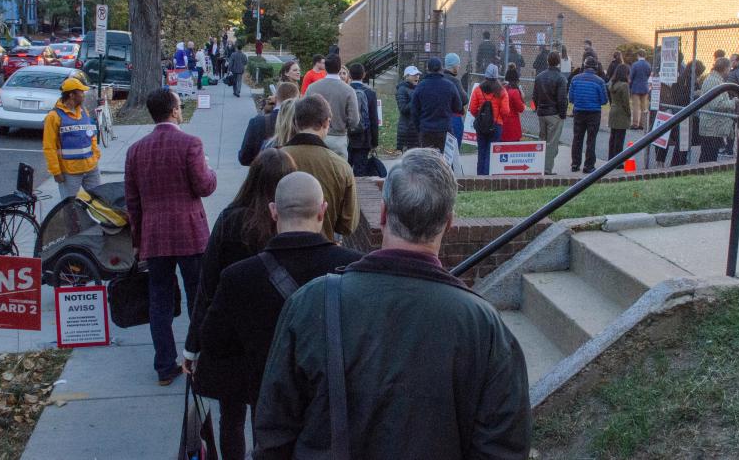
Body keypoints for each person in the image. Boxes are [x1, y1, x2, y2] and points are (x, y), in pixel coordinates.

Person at [252, 148, 532, 459]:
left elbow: (273, 430)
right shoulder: (484, 327)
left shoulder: (310, 303)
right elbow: (504, 445)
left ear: (383, 213)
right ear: (449, 223)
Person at [199, 171, 364, 459]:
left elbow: (213, 341)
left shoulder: (238, 277)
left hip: (267, 406)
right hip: (335, 407)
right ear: (322, 210)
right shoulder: (352, 269)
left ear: (274, 212)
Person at [184, 148, 295, 460]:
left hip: (230, 337)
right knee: (268, 419)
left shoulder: (229, 222)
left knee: (230, 418)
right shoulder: (289, 227)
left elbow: (207, 288)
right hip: (275, 338)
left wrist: (193, 347)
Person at [124, 88, 217, 386]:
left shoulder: (136, 150)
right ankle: (200, 359)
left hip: (155, 235)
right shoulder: (190, 143)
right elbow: (204, 186)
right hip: (190, 233)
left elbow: (132, 202)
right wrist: (211, 173)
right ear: (175, 111)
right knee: (197, 298)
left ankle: (165, 365)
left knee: (159, 301)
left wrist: (138, 241)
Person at [281, 95, 358, 240]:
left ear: (296, 122)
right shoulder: (340, 166)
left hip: (275, 252)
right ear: (326, 122)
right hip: (322, 249)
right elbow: (348, 225)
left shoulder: (275, 158)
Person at [42, 78, 101, 199]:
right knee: (70, 207)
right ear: (71, 95)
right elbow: (49, 147)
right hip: (70, 172)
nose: (83, 95)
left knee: (99, 202)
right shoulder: (53, 117)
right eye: (81, 92)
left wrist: (96, 155)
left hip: (91, 168)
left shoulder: (83, 111)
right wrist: (56, 172)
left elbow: (91, 135)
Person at [305, 54, 361, 159]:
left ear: (325, 67)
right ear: (339, 67)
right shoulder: (348, 90)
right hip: (338, 138)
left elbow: (304, 114)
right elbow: (354, 120)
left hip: (315, 137)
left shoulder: (312, 88)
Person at [410, 57, 462, 152]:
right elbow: (458, 107)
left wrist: (420, 128)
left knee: (427, 161)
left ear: (427, 69)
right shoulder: (450, 85)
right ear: (441, 69)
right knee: (445, 161)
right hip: (445, 130)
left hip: (426, 130)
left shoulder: (420, 87)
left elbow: (414, 111)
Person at [240, 82, 300, 165]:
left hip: (265, 173)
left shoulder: (257, 121)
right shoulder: (302, 122)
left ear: (275, 98)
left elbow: (244, 158)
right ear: (298, 99)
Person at [568, 56, 608, 173]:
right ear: (596, 67)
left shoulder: (575, 79)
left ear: (584, 66)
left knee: (577, 138)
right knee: (591, 139)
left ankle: (575, 164)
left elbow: (571, 98)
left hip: (579, 111)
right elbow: (604, 100)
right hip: (594, 113)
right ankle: (589, 166)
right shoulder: (600, 81)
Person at [469, 64, 510, 175]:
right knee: (491, 153)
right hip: (496, 125)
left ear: (485, 75)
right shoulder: (501, 91)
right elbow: (506, 111)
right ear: (497, 77)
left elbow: (472, 108)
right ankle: (487, 178)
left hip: (481, 126)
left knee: (481, 152)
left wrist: (480, 117)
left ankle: (479, 177)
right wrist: (500, 119)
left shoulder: (478, 89)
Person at [697, 57, 739, 162]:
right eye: (729, 68)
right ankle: (703, 175)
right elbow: (717, 105)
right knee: (709, 157)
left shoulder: (712, 79)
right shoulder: (715, 82)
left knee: (708, 155)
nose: (730, 71)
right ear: (725, 69)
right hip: (712, 126)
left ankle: (702, 174)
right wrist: (733, 102)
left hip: (712, 125)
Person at [533, 51, 569, 174]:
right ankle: (546, 169)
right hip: (554, 114)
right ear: (558, 62)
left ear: (547, 61)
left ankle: (539, 166)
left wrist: (538, 108)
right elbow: (562, 99)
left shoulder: (539, 77)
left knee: (542, 141)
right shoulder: (561, 78)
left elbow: (535, 96)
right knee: (552, 144)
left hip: (542, 112)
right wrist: (562, 114)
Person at [347, 63, 380, 175]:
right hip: (364, 137)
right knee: (360, 170)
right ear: (364, 75)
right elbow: (374, 119)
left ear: (349, 75)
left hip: (346, 136)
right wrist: (374, 141)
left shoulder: (345, 90)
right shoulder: (370, 93)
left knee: (344, 169)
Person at [443, 53, 469, 144]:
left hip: (440, 117)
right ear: (453, 66)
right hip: (454, 117)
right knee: (453, 149)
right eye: (458, 65)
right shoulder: (454, 81)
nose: (459, 67)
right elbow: (465, 99)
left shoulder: (440, 78)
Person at [608, 64, 632, 160]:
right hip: (621, 113)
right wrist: (629, 114)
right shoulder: (624, 86)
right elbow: (626, 103)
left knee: (613, 137)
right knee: (620, 138)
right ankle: (618, 160)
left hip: (613, 110)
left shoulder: (612, 84)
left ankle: (611, 158)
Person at [396, 66, 422, 151]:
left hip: (417, 130)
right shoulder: (402, 90)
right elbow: (403, 109)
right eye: (414, 75)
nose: (417, 76)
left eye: (418, 74)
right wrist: (416, 99)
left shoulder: (418, 89)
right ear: (406, 76)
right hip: (407, 131)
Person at [502, 64, 526, 142]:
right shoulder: (515, 92)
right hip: (512, 125)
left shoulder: (502, 90)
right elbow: (521, 109)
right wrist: (522, 96)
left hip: (502, 124)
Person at [629, 49, 651, 130]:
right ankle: (642, 124)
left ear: (638, 55)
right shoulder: (648, 65)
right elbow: (648, 75)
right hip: (645, 87)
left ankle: (635, 124)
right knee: (644, 107)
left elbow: (631, 76)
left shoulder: (635, 64)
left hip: (635, 87)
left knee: (636, 107)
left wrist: (630, 86)